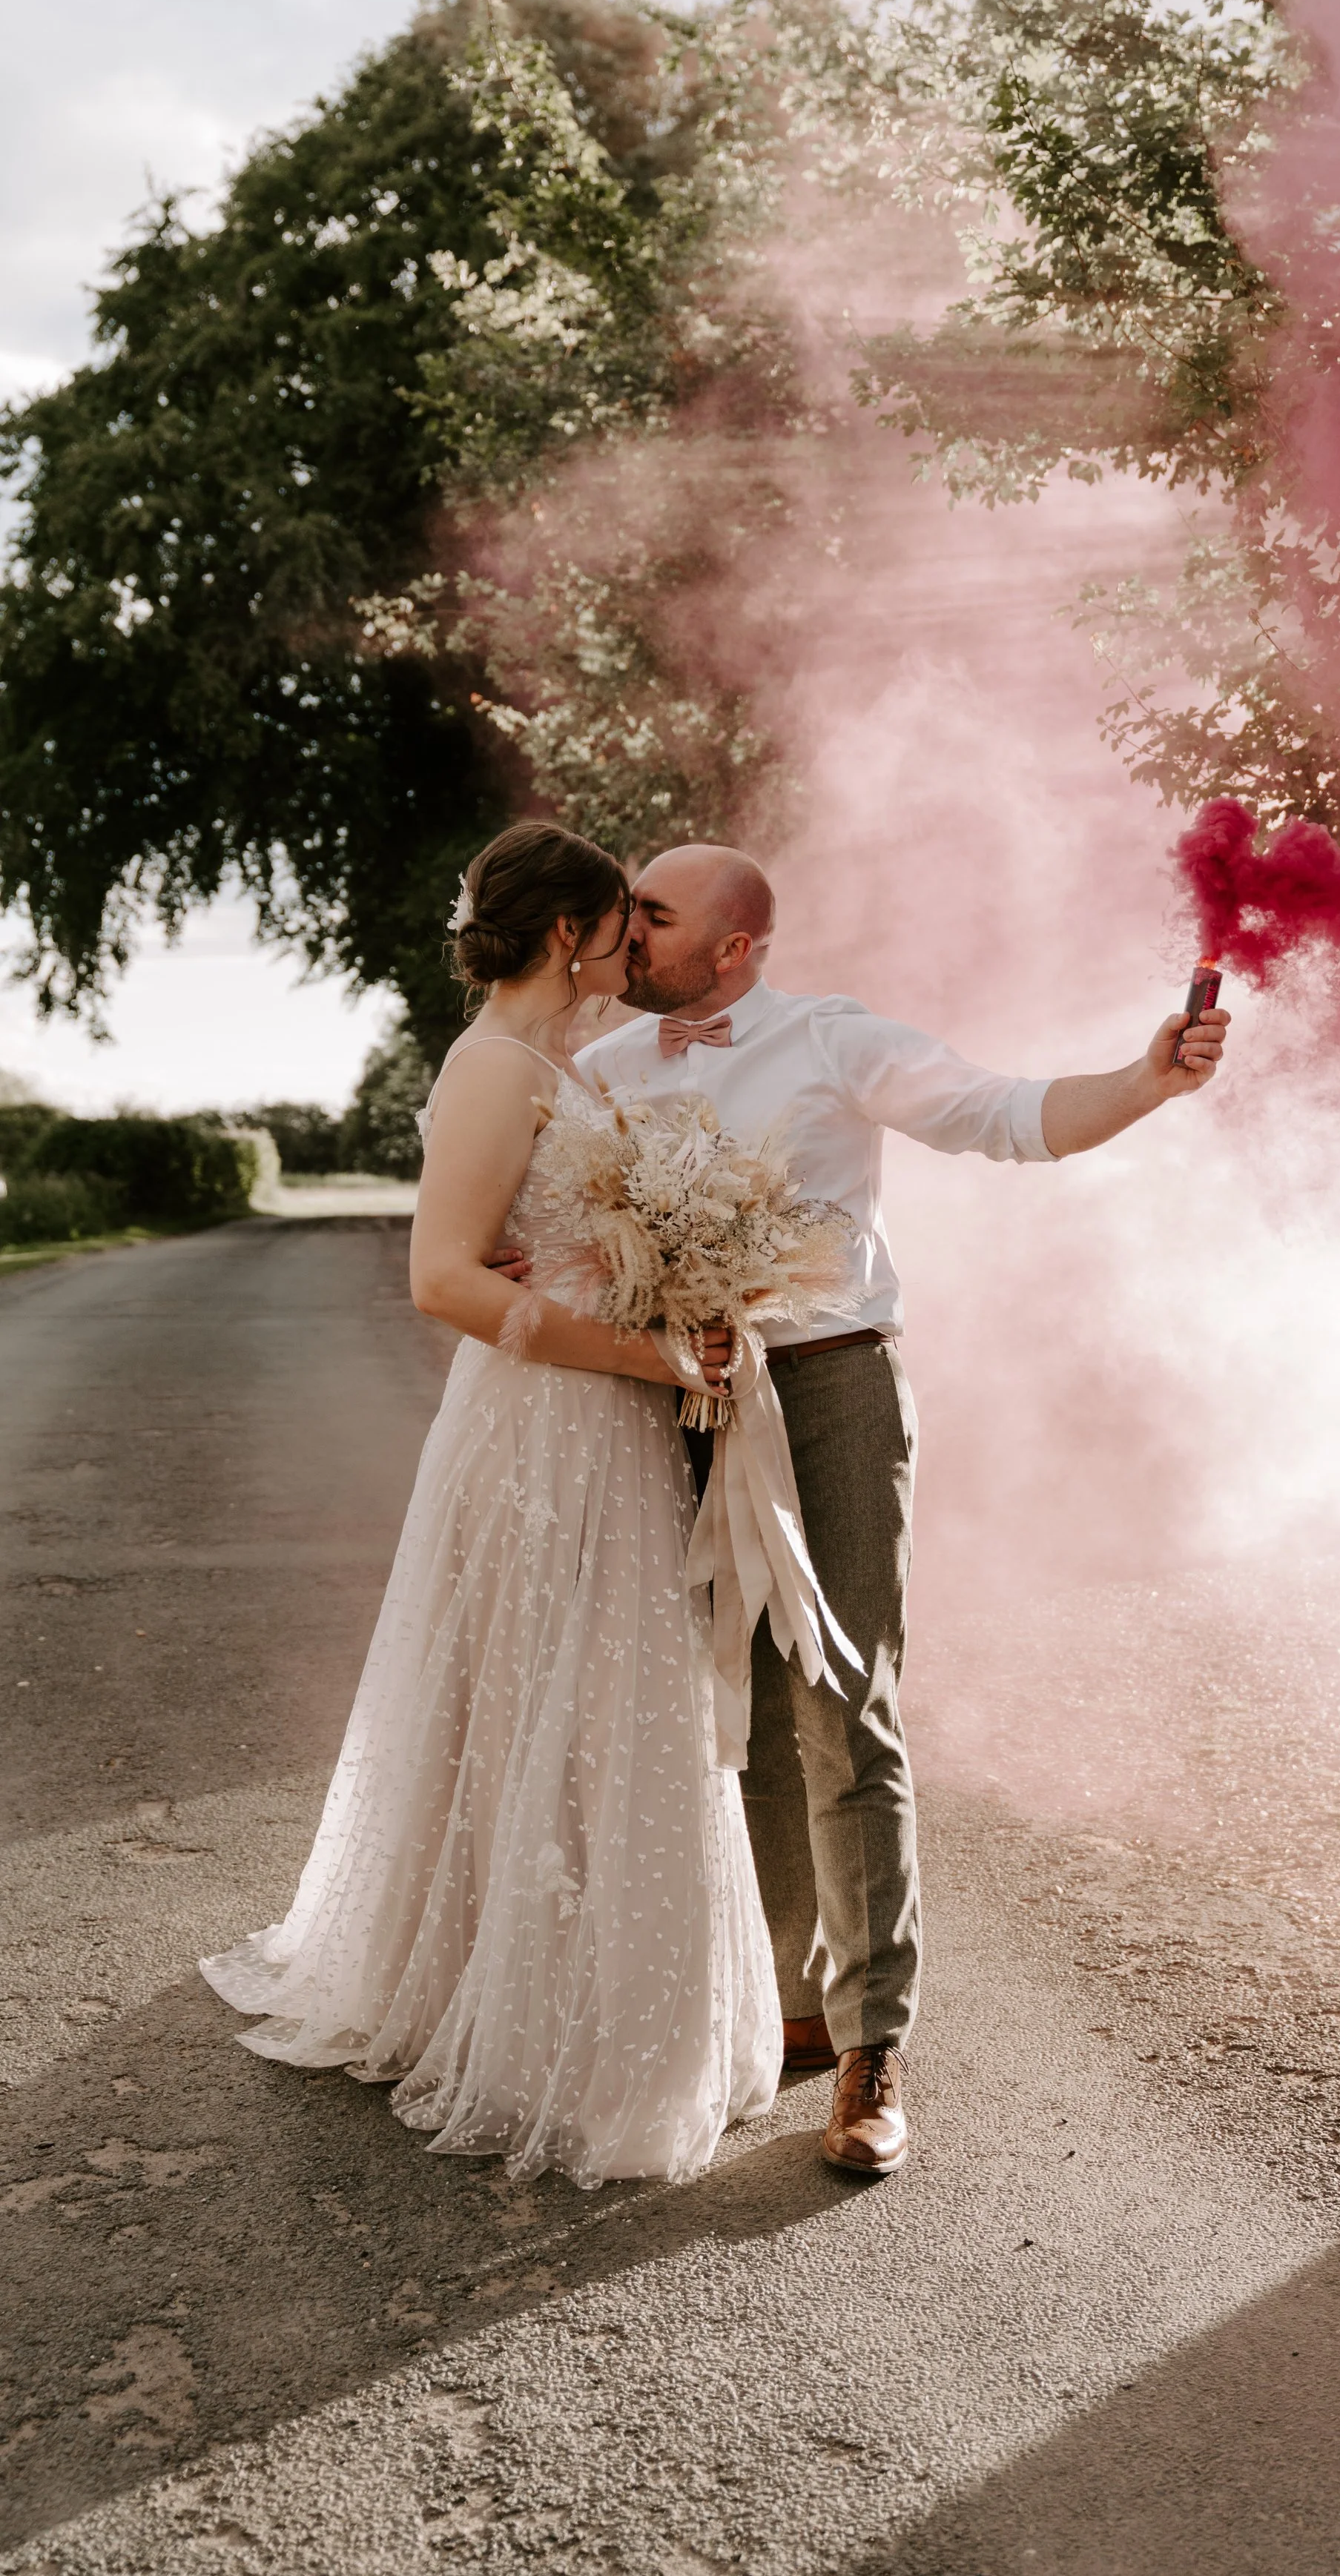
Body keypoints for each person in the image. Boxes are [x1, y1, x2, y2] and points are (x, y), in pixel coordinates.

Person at [574, 841, 1231, 2178]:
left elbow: (1002, 1114)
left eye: (654, 913)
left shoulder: (830, 1039)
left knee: (843, 1701)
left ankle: (875, 2048)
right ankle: (791, 2005)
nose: (626, 931)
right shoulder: (600, 1075)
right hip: (678, 1407)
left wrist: (1149, 1081)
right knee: (740, 1706)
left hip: (832, 1394)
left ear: (738, 946)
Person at [201, 822, 779, 2187]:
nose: (638, 944)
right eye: (621, 923)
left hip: (610, 1422)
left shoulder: (565, 1061)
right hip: (544, 1425)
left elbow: (584, 1220)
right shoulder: (490, 1066)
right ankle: (505, 2003)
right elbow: (445, 1283)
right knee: (531, 1689)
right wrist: (652, 1350)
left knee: (600, 1697)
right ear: (570, 935)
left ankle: (573, 1989)